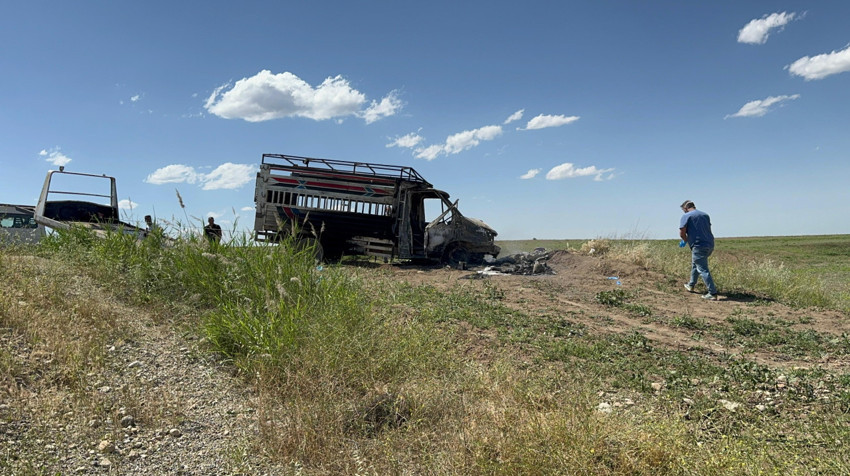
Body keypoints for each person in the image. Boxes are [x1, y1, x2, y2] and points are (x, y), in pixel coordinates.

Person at [679, 200, 718, 300]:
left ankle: (712, 293)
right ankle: (691, 285)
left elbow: (682, 232)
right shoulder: (705, 215)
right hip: (709, 244)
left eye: (683, 210)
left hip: (698, 245)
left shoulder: (686, 216)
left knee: (702, 269)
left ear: (686, 208)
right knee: (695, 264)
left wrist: (684, 240)